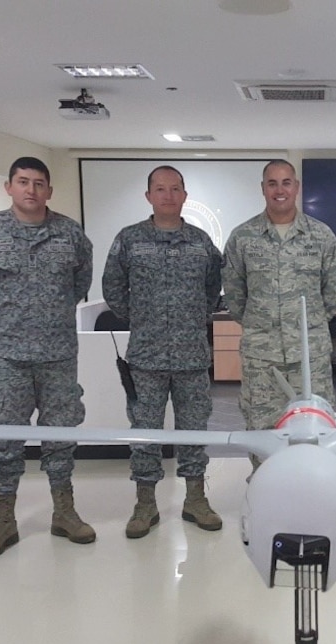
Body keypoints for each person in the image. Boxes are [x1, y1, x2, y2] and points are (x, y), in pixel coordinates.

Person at [0, 156, 95, 559]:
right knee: (4, 437)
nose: (31, 190)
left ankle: (64, 511)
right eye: (23, 182)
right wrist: (12, 315)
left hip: (57, 354)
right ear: (9, 187)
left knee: (61, 434)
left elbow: (80, 283)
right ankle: (4, 519)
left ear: (49, 191)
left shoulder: (70, 234)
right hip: (8, 355)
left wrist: (47, 315)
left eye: (39, 183)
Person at [102, 166, 224, 539]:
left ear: (184, 195)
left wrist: (190, 320)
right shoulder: (129, 240)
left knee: (193, 430)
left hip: (191, 356)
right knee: (144, 432)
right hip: (145, 358)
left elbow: (212, 291)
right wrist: (143, 319)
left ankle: (196, 499)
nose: (168, 195)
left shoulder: (201, 242)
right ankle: (145, 503)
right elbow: (113, 290)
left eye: (175, 189)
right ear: (149, 196)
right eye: (160, 189)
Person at [221, 160, 336, 467]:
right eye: (272, 183)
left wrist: (310, 324)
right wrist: (260, 325)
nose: (280, 190)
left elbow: (332, 291)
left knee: (316, 432)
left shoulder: (321, 236)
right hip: (263, 359)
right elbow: (235, 296)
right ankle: (264, 491)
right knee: (262, 431)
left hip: (309, 357)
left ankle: (312, 493)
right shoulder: (243, 237)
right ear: (263, 188)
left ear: (296, 187)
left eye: (286, 182)